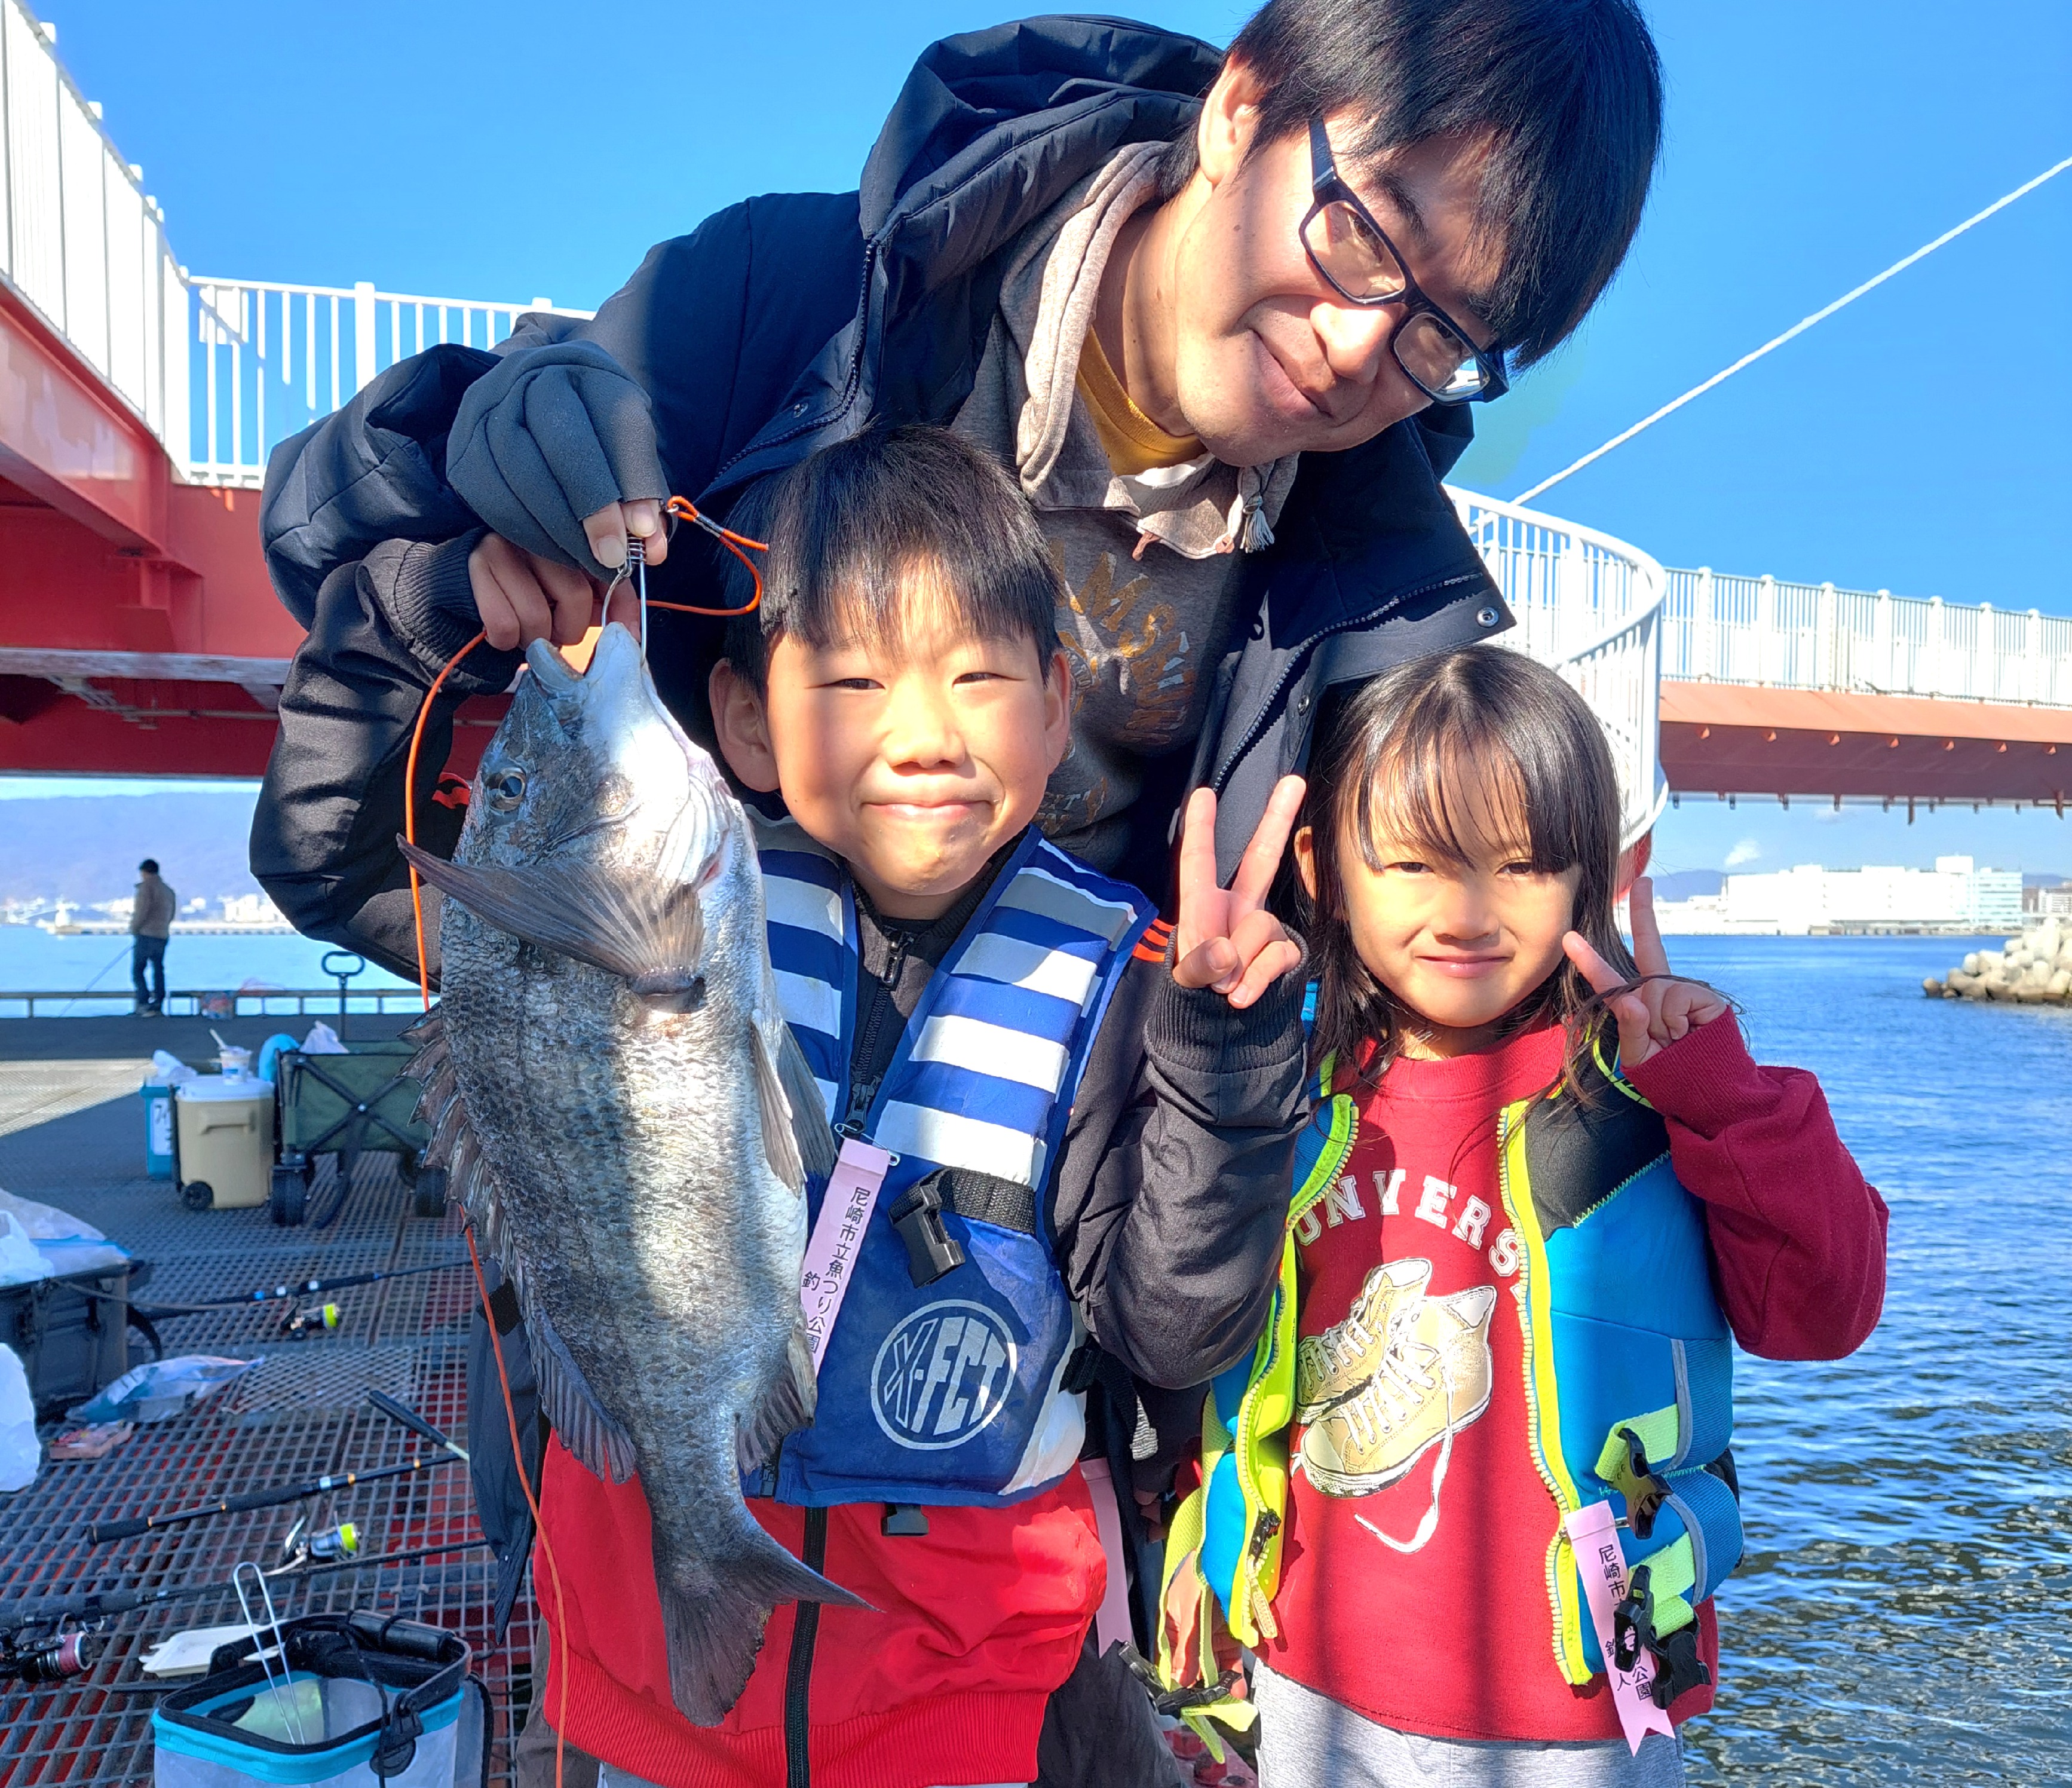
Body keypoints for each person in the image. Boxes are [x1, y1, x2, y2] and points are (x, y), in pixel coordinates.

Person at [252, 0, 1664, 970]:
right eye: (1364, 230)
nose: (1362, 343)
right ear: (1242, 107)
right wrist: (462, 453)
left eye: (1443, 333)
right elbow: (320, 557)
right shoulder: (788, 299)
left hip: (1029, 1262)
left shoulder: (1371, 595)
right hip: (703, 1123)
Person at [499, 426, 1311, 1788]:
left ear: (1056, 709)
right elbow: (379, 881)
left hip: (955, 1687)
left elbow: (1171, 1330)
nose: (923, 732)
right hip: (650, 1660)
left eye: (978, 677)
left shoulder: (1114, 989)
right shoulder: (663, 916)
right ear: (748, 721)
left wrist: (1225, 1077)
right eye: (858, 679)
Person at [1162, 650, 1887, 1786]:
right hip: (1306, 1675)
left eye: (1521, 866)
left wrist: (1727, 1095)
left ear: (1587, 874)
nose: (1463, 912)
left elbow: (1825, 1313)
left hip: (1588, 1706)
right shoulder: (1289, 1076)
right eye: (1408, 862)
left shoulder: (1659, 1093)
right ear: (1323, 866)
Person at [128, 858, 174, 1016]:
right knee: (158, 969)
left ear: (144, 872)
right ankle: (158, 1002)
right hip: (162, 935)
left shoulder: (146, 888)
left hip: (146, 934)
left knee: (138, 970)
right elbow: (172, 914)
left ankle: (143, 1002)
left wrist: (135, 928)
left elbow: (142, 911)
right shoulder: (168, 891)